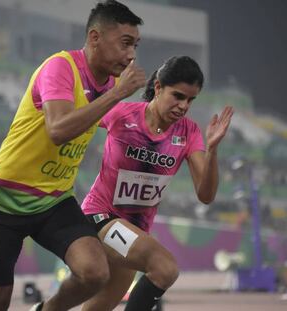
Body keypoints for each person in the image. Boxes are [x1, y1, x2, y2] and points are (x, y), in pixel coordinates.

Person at [0, 1, 146, 310]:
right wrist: (117, 95)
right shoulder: (60, 67)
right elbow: (58, 129)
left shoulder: (113, 83)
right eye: (125, 43)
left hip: (54, 200)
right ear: (95, 38)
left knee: (94, 273)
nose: (131, 54)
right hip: (5, 199)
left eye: (135, 45)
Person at [80, 56, 234, 311]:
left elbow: (206, 195)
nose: (184, 106)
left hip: (134, 231)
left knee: (99, 307)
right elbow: (78, 120)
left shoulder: (189, 132)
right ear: (159, 87)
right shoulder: (123, 114)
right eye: (178, 96)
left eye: (190, 100)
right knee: (164, 268)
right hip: (100, 217)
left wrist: (213, 150)